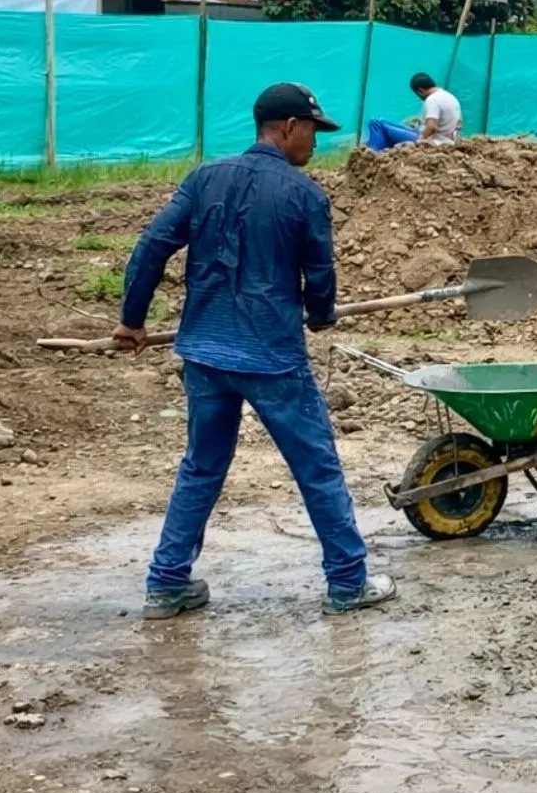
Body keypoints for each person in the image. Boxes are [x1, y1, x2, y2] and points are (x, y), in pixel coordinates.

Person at [116, 83, 397, 619]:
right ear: (288, 127)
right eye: (314, 130)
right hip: (272, 358)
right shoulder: (305, 195)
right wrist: (320, 314)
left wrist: (132, 321)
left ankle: (166, 584)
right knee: (316, 467)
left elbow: (154, 244)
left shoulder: (204, 178)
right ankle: (348, 583)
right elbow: (320, 275)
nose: (317, 142)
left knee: (201, 467)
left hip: (203, 351)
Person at [362, 72, 463, 151]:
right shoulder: (449, 96)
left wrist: (420, 139)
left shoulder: (432, 100)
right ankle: (383, 150)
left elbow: (432, 127)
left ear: (420, 91)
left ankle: (373, 154)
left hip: (435, 141)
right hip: (448, 139)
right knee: (386, 126)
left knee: (376, 123)